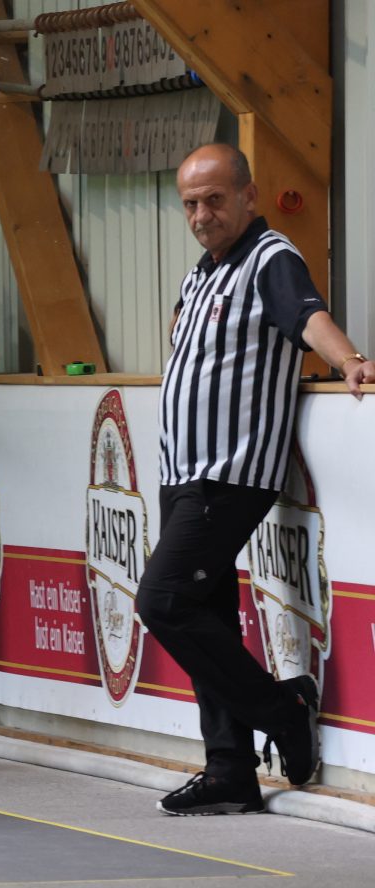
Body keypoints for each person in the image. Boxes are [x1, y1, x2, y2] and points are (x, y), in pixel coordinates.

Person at [137, 143, 373, 814]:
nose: (202, 215)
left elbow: (305, 317)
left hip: (229, 473)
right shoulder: (202, 273)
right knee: (206, 612)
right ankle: (230, 771)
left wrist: (349, 359)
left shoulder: (271, 258)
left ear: (249, 196)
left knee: (164, 600)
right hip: (182, 472)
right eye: (190, 203)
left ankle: (284, 708)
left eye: (215, 199)